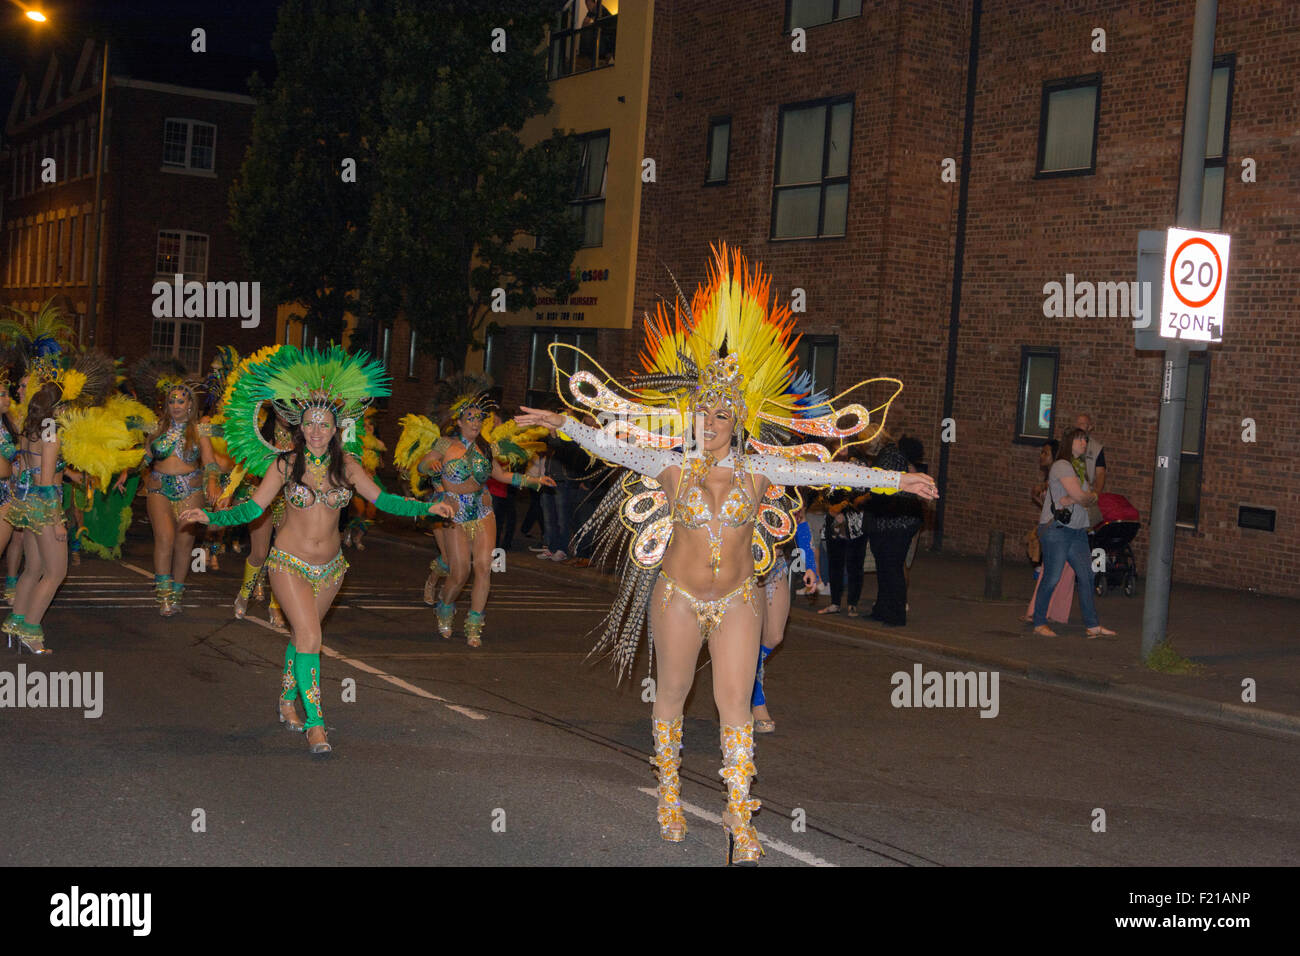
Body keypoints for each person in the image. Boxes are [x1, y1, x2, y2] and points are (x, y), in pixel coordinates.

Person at [516, 243, 937, 864]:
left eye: (720, 415)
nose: (709, 424)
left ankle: (741, 820)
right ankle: (668, 794)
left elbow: (825, 473)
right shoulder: (668, 466)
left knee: (734, 704)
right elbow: (610, 445)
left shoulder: (762, 469)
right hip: (679, 598)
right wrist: (562, 424)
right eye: (701, 415)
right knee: (673, 691)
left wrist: (898, 482)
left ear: (737, 418)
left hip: (738, 598)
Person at [182, 345, 455, 755]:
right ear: (299, 426)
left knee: (301, 638)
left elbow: (384, 501)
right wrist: (210, 519)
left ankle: (286, 700)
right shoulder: (283, 465)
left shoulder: (348, 468)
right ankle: (317, 724)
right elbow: (253, 509)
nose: (315, 431)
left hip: (332, 569)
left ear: (335, 428)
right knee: (312, 635)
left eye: (323, 424)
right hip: (287, 563)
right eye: (309, 423)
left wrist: (426, 507)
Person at [419, 391, 554, 646]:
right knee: (459, 572)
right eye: (469, 417)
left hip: (482, 510)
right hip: (454, 511)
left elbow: (502, 477)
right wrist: (430, 466)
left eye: (479, 418)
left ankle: (473, 625)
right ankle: (445, 605)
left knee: (483, 567)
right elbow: (421, 465)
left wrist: (535, 481)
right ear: (459, 422)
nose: (475, 422)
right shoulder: (445, 445)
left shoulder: (485, 448)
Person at [117, 359, 221, 616]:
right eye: (172, 401)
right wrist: (124, 471)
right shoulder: (156, 429)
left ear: (190, 405)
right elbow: (143, 458)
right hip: (158, 489)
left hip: (191, 491)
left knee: (184, 544)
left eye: (181, 401)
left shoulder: (199, 431)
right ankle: (163, 597)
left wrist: (211, 482)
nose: (175, 405)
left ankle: (176, 592)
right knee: (164, 538)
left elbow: (210, 463)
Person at [1032, 427, 1115, 639]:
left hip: (1077, 530)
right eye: (1080, 440)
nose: (1084, 443)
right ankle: (1039, 622)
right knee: (1052, 576)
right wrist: (1085, 496)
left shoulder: (1079, 468)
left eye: (1085, 440)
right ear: (1070, 442)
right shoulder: (1062, 465)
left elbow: (1082, 497)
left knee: (1087, 575)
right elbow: (1083, 496)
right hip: (1058, 530)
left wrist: (1080, 497)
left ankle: (1093, 625)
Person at [866, 432, 925, 626]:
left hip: (894, 524)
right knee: (888, 567)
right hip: (899, 522)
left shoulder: (889, 456)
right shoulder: (895, 455)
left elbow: (881, 487)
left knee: (890, 567)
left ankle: (895, 613)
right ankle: (885, 610)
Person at [1023, 438, 1074, 624]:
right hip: (1055, 529)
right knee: (1060, 573)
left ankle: (1038, 613)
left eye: (1045, 452)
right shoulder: (1053, 477)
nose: (1041, 456)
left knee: (1052, 572)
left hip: (1061, 531)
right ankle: (1056, 614)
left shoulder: (1057, 475)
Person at [818, 464, 870, 616]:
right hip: (835, 528)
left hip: (856, 529)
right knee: (835, 565)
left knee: (855, 567)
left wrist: (846, 513)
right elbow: (822, 496)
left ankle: (852, 604)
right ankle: (835, 603)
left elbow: (865, 498)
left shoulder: (862, 468)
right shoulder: (831, 470)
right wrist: (833, 512)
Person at [1075, 413, 1107, 526]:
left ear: (1090, 427)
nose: (1079, 426)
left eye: (1083, 424)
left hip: (1086, 494)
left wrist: (1095, 495)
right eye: (1077, 423)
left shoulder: (1096, 448)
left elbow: (1100, 474)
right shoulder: (1067, 445)